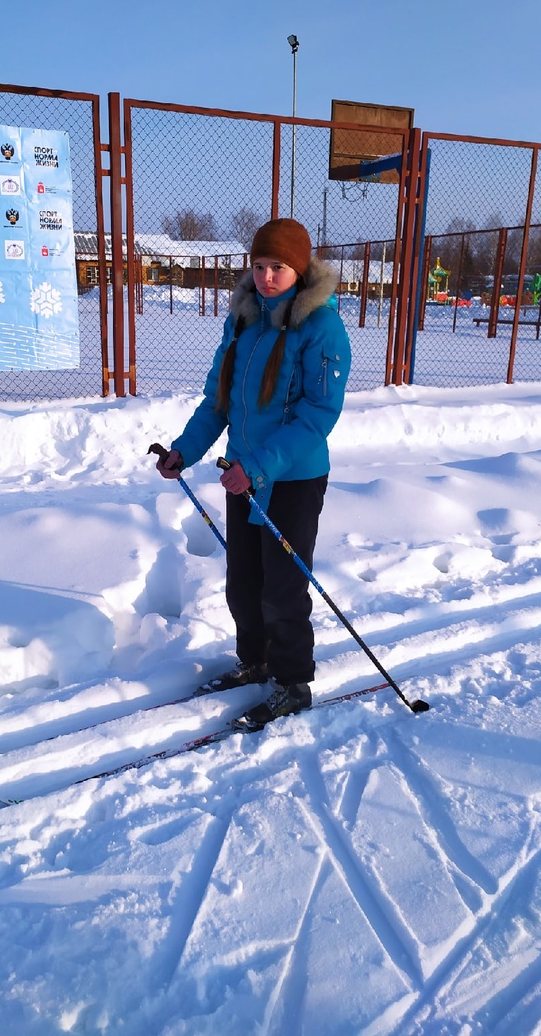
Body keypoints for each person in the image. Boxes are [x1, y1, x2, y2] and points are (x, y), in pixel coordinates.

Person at [155, 218, 351, 726]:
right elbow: (218, 401)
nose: (267, 277)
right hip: (242, 474)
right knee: (243, 581)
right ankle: (255, 660)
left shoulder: (322, 328)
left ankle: (292, 682)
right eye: (260, 266)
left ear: (300, 268)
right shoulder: (242, 320)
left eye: (279, 267)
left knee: (282, 586)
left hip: (291, 478)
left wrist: (257, 466)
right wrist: (185, 451)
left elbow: (317, 416)